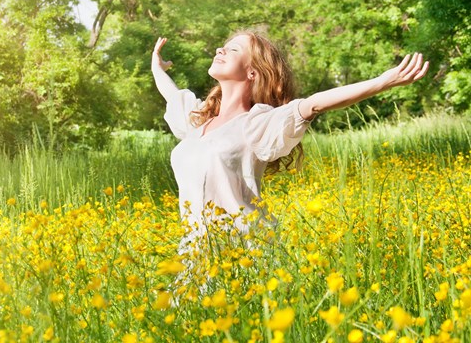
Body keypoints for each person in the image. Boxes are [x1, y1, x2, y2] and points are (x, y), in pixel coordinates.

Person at [151, 31, 429, 261]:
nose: (219, 51)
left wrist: (381, 82)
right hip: (195, 255)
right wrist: (156, 67)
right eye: (221, 47)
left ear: (252, 73)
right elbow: (173, 95)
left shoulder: (257, 123)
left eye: (232, 50)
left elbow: (314, 104)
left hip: (244, 252)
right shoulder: (198, 123)